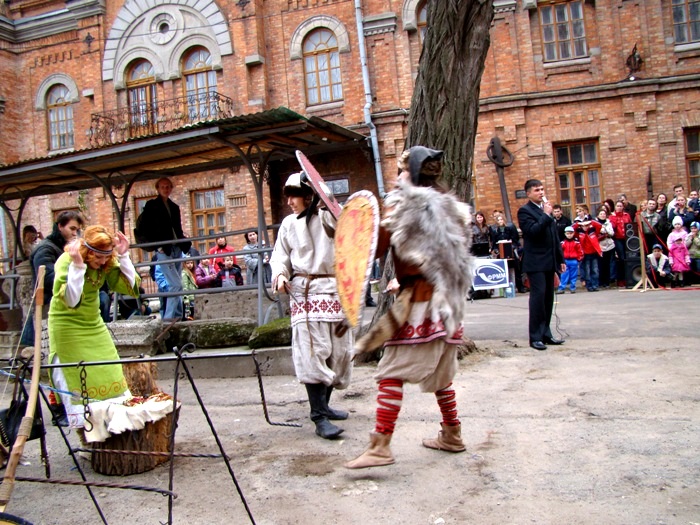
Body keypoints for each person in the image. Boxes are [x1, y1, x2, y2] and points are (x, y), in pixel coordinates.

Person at [345, 146, 472, 469]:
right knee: (441, 374)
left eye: (401, 171)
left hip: (422, 303)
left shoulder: (404, 206)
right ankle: (452, 434)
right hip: (450, 304)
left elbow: (373, 247)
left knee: (391, 371)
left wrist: (347, 227)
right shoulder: (450, 206)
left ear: (412, 174)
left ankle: (380, 446)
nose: (397, 177)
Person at [270, 172, 353, 440]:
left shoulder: (329, 217)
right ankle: (318, 417)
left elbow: (344, 227)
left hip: (335, 290)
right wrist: (280, 275)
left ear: (309, 195)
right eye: (287, 197)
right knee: (313, 352)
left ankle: (325, 406)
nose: (289, 202)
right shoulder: (288, 224)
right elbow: (280, 256)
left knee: (338, 351)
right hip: (305, 292)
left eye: (294, 196)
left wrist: (324, 197)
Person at [48, 225, 140, 429]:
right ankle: (89, 432)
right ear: (87, 252)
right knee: (79, 375)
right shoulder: (67, 260)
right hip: (68, 326)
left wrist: (123, 256)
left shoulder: (105, 261)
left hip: (94, 324)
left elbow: (130, 287)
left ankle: (111, 427)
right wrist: (78, 266)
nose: (103, 261)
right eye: (98, 257)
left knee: (110, 370)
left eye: (106, 257)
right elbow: (71, 300)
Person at [21, 211, 85, 348]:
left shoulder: (64, 247)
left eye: (77, 230)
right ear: (60, 226)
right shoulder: (45, 248)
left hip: (62, 298)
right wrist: (75, 280)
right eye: (72, 228)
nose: (75, 233)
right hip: (49, 300)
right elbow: (48, 278)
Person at [517, 179, 565, 351]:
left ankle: (546, 333)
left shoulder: (546, 210)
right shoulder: (525, 211)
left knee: (548, 298)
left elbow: (554, 237)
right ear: (528, 193)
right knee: (538, 298)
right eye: (537, 190)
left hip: (549, 261)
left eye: (542, 189)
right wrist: (545, 215)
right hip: (535, 262)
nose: (541, 193)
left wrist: (560, 259)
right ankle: (535, 337)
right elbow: (532, 232)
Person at [134, 177, 191, 321]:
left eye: (168, 186)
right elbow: (148, 228)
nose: (166, 189)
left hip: (176, 247)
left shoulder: (174, 206)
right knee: (176, 284)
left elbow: (177, 228)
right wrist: (157, 246)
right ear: (158, 189)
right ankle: (169, 319)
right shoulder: (152, 205)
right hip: (163, 249)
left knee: (176, 284)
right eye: (163, 187)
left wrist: (183, 241)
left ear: (171, 188)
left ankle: (178, 317)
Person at [490, 214, 525, 292]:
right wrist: (495, 250)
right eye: (498, 220)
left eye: (501, 219)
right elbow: (494, 242)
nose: (500, 221)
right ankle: (504, 288)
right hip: (500, 251)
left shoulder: (510, 228)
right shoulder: (495, 230)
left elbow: (515, 240)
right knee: (501, 268)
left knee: (517, 267)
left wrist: (513, 246)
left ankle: (520, 286)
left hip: (511, 249)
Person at [608, 200, 632, 287]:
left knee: (628, 257)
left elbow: (630, 225)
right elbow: (612, 227)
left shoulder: (627, 215)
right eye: (617, 206)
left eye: (621, 206)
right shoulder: (612, 216)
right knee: (621, 258)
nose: (619, 207)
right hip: (617, 239)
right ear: (615, 207)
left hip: (627, 238)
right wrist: (615, 218)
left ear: (623, 207)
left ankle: (628, 278)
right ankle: (620, 279)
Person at [575, 219, 603, 292]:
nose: (585, 227)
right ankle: (589, 286)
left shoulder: (593, 231)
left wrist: (591, 221)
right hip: (585, 255)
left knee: (595, 270)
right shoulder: (579, 233)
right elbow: (572, 228)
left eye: (587, 225)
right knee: (587, 271)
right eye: (583, 226)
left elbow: (599, 225)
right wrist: (579, 224)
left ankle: (595, 285)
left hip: (594, 253)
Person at [556, 226, 583, 294]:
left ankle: (573, 288)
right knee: (563, 275)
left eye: (571, 233)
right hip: (565, 261)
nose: (569, 235)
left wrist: (578, 259)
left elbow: (580, 252)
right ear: (565, 234)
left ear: (573, 233)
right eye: (567, 233)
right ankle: (561, 288)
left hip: (574, 260)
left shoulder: (576, 243)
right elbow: (560, 252)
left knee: (573, 275)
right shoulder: (562, 243)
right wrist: (560, 260)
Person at [595, 208, 616, 288]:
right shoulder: (595, 223)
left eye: (604, 214)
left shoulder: (608, 223)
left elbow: (611, 233)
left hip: (609, 246)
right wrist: (603, 232)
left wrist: (605, 230)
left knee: (607, 264)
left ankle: (607, 282)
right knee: (600, 265)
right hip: (600, 246)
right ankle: (600, 281)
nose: (603, 215)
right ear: (598, 215)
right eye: (601, 214)